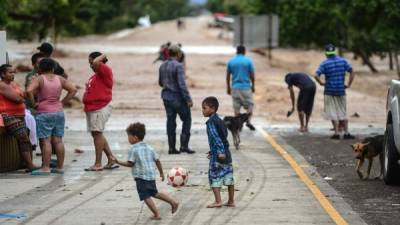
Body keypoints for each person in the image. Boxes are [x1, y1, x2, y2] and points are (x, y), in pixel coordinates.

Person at [115, 122, 179, 220]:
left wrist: (117, 161)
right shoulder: (149, 148)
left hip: (140, 177)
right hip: (150, 176)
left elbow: (130, 164)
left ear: (135, 137)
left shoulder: (133, 149)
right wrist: (161, 173)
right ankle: (173, 202)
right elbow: (157, 160)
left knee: (145, 196)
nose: (128, 139)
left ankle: (156, 214)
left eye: (129, 136)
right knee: (155, 193)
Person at [27, 58, 77, 175]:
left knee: (46, 142)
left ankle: (45, 168)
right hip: (59, 112)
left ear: (40, 69)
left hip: (44, 113)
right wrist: (62, 102)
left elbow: (29, 90)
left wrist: (34, 103)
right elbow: (73, 90)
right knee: (58, 141)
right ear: (53, 68)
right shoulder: (59, 78)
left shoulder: (40, 79)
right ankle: (60, 167)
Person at [83, 52, 118, 171]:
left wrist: (103, 55)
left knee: (97, 133)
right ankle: (111, 158)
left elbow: (97, 62)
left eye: (91, 63)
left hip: (100, 107)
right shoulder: (95, 75)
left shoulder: (105, 70)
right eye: (89, 63)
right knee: (97, 134)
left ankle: (98, 163)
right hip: (92, 108)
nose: (91, 66)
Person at [0, 64, 38, 172]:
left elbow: (24, 96)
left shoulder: (13, 84)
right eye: (10, 72)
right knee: (24, 139)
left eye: (13, 72)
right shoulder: (2, 85)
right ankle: (30, 165)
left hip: (20, 115)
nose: (13, 74)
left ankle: (25, 163)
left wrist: (24, 95)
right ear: (3, 74)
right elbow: (18, 99)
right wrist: (23, 97)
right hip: (8, 115)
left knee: (24, 140)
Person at [314, 44, 356, 139]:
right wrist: (349, 84)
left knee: (332, 112)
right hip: (341, 90)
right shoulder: (343, 61)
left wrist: (321, 83)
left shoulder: (324, 63)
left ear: (326, 53)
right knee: (343, 112)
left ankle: (336, 133)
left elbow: (316, 75)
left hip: (329, 91)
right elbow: (352, 71)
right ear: (335, 52)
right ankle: (346, 133)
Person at [159, 44, 195, 154]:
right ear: (178, 54)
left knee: (170, 121)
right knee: (187, 119)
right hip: (177, 98)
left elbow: (160, 83)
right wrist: (188, 99)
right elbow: (182, 85)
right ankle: (184, 146)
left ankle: (171, 148)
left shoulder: (162, 65)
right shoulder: (178, 66)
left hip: (166, 97)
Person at [202, 96, 235, 208]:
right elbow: (224, 136)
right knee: (228, 176)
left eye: (204, 108)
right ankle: (231, 201)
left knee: (214, 176)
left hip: (219, 155)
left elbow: (216, 138)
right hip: (226, 152)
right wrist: (214, 151)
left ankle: (218, 201)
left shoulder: (211, 122)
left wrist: (219, 152)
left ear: (213, 108)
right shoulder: (220, 121)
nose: (203, 110)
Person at [226, 45, 256, 130]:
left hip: (235, 88)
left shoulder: (231, 61)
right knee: (250, 104)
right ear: (244, 52)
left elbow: (228, 76)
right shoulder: (248, 61)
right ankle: (248, 121)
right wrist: (253, 86)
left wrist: (228, 87)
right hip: (246, 87)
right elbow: (252, 75)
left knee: (237, 107)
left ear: (237, 51)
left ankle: (238, 124)